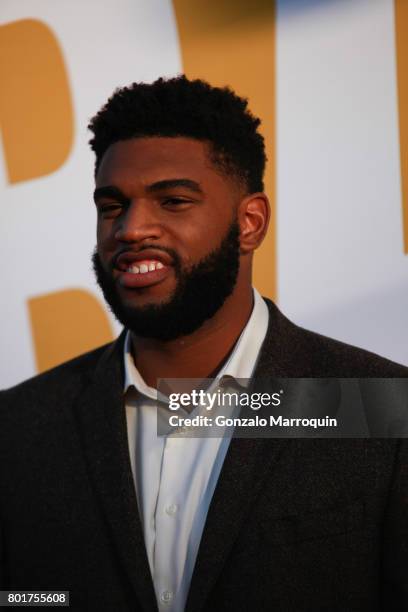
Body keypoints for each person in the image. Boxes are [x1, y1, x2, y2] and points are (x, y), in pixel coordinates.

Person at [0, 75, 407, 612]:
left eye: (172, 201)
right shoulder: (20, 426)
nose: (131, 228)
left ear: (250, 222)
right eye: (111, 206)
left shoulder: (381, 407)